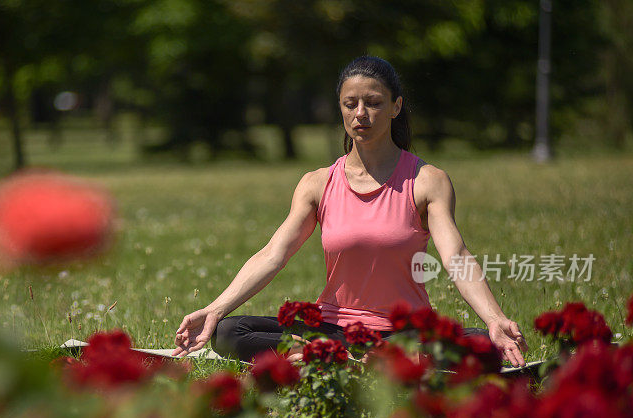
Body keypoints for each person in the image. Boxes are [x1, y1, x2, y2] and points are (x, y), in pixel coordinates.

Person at [173, 56, 528, 367]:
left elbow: (456, 257)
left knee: (482, 343)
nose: (361, 113)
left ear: (395, 106)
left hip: (404, 334)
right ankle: (334, 354)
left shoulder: (427, 181)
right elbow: (273, 254)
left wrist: (495, 318)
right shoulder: (317, 183)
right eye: (350, 103)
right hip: (333, 330)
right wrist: (215, 308)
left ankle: (342, 358)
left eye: (373, 102)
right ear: (340, 108)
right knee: (231, 331)